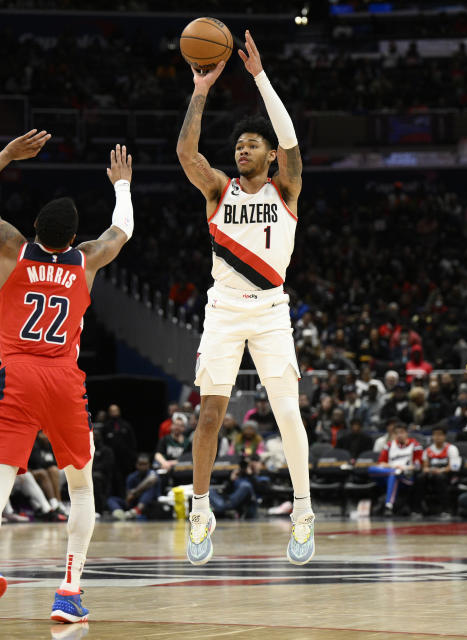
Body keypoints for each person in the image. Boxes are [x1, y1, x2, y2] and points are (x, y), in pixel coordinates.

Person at [0, 131, 134, 634]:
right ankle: (69, 593)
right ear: (73, 239)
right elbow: (122, 230)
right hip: (65, 380)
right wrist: (122, 185)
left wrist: (6, 155)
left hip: (20, 375)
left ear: (34, 229)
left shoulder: (12, 249)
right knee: (83, 490)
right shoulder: (86, 260)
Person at [175, 30, 313, 566]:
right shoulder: (218, 189)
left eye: (252, 144)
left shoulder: (288, 187)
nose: (241, 149)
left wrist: (258, 76)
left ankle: (302, 511)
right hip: (224, 310)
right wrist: (201, 90)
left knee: (287, 415)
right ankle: (202, 509)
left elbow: (292, 140)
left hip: (273, 310)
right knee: (209, 415)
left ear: (270, 155)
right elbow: (187, 151)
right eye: (238, 145)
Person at [370, 423, 423, 515]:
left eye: (402, 432)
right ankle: (388, 505)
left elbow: (417, 466)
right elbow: (381, 463)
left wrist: (404, 468)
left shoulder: (415, 445)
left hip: (406, 476)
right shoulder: (389, 445)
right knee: (372, 469)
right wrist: (393, 468)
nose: (399, 435)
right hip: (391, 471)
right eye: (397, 433)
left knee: (394, 475)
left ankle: (389, 505)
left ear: (407, 433)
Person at [418, 426, 461, 515]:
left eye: (440, 435)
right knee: (420, 477)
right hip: (432, 473)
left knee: (439, 478)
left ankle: (446, 509)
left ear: (445, 436)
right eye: (435, 435)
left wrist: (440, 470)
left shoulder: (451, 449)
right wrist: (429, 470)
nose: (437, 437)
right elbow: (425, 467)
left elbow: (453, 467)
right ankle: (418, 508)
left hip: (447, 474)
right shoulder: (428, 450)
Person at [107, 453, 160, 520]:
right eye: (140, 464)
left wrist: (135, 491)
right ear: (136, 465)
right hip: (134, 502)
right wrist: (132, 495)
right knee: (111, 499)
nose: (143, 467)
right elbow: (128, 497)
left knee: (149, 489)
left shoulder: (152, 473)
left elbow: (151, 479)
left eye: (145, 464)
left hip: (148, 503)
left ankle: (135, 511)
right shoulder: (132, 477)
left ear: (149, 465)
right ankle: (120, 513)